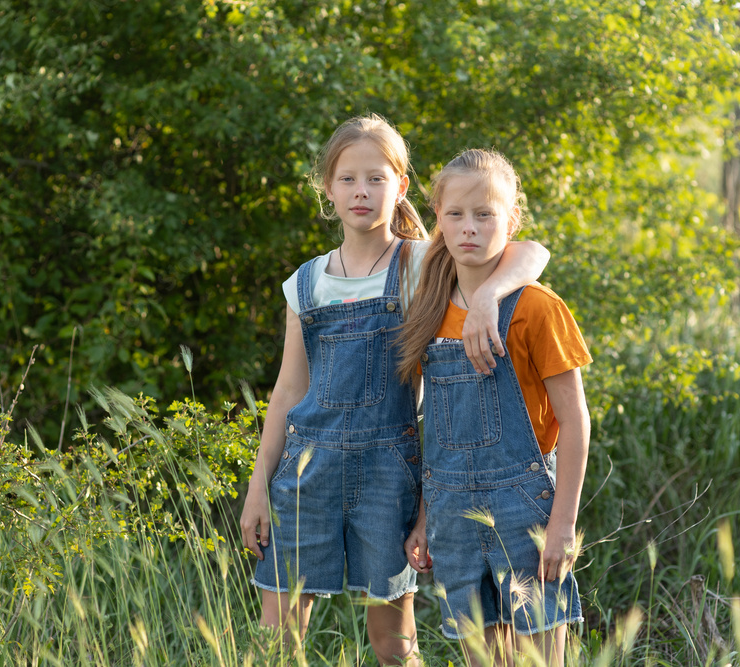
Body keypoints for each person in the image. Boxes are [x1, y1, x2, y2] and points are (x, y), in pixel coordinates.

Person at [238, 116, 550, 666]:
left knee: (393, 643)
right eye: (348, 179)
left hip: (388, 473)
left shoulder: (421, 262)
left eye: (376, 178)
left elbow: (530, 252)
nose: (362, 192)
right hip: (305, 477)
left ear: (401, 186)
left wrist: (489, 295)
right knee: (279, 640)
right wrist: (258, 487)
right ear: (328, 189)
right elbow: (288, 390)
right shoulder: (306, 282)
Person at [398, 149, 591, 667]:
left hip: (523, 508)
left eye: (485, 214)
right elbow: (435, 429)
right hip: (451, 516)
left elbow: (575, 421)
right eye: (456, 214)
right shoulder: (429, 309)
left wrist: (563, 525)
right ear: (437, 217)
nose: (470, 227)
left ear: (512, 219)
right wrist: (423, 518)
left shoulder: (536, 308)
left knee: (538, 657)